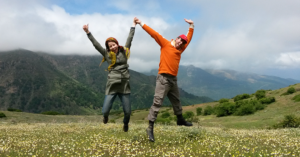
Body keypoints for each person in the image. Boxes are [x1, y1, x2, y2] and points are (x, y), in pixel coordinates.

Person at [134, 17, 194, 142]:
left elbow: (189, 38)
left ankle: (180, 120)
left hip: (173, 80)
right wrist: (141, 23)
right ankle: (150, 127)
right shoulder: (165, 44)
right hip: (163, 78)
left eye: (183, 43)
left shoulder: (181, 49)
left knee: (176, 101)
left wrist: (192, 26)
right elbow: (154, 34)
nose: (180, 43)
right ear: (176, 38)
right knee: (158, 102)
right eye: (180, 40)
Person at [83, 18, 137, 132]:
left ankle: (125, 124)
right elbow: (96, 44)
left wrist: (133, 25)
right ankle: (105, 117)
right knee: (105, 110)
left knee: (128, 112)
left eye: (114, 44)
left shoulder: (124, 51)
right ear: (108, 48)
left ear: (117, 44)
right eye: (110, 46)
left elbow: (130, 38)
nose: (113, 47)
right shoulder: (106, 54)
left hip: (124, 85)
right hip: (112, 85)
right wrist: (88, 32)